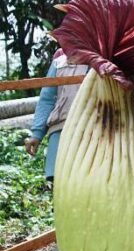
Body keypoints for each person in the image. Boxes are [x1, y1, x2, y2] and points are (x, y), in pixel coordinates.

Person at [26, 50, 89, 182]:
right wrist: (37, 134)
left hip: (98, 133)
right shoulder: (60, 62)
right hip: (61, 131)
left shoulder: (111, 59)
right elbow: (47, 99)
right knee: (60, 183)